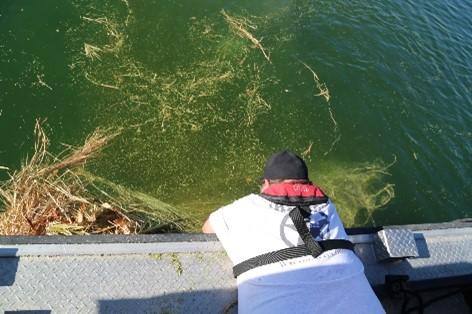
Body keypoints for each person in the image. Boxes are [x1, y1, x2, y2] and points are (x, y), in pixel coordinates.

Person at [203, 150, 385, 314]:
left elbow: (207, 229)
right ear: (308, 183)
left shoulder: (245, 206)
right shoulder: (328, 207)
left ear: (266, 183)